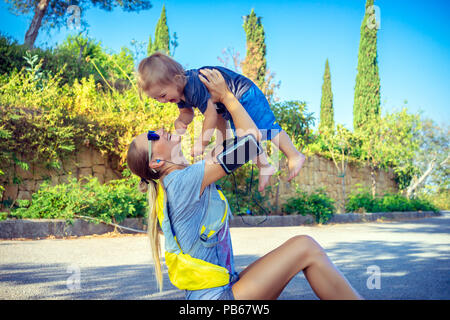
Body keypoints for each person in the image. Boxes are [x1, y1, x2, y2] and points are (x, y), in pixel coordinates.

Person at [127, 68, 362, 300]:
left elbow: (235, 142)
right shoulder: (182, 182)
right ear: (157, 161)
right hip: (218, 298)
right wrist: (227, 96)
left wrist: (218, 106)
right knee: (306, 247)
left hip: (222, 290)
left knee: (303, 251)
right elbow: (251, 144)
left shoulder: (183, 179)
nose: (158, 130)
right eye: (152, 137)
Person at [136, 52, 306, 192]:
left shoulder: (193, 86)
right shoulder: (177, 92)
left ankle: (293, 155)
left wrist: (202, 144)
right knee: (245, 140)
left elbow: (211, 116)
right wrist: (181, 120)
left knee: (265, 127)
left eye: (162, 95)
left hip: (243, 93)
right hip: (225, 103)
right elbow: (187, 114)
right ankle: (264, 165)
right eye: (156, 98)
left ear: (176, 78)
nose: (162, 101)